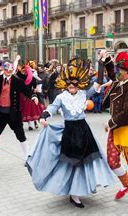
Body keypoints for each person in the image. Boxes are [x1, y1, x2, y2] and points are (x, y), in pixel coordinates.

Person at [26, 57, 115, 209]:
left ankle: (82, 188)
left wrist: (100, 63)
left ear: (78, 84)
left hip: (84, 131)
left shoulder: (83, 94)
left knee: (87, 161)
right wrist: (43, 116)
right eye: (70, 84)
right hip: (70, 132)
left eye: (75, 84)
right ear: (66, 84)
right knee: (73, 163)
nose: (72, 87)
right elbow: (52, 107)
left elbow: (99, 82)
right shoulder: (61, 97)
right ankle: (74, 194)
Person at [100, 51, 128, 213]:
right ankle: (126, 185)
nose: (116, 72)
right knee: (112, 161)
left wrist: (110, 122)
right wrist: (106, 60)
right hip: (115, 130)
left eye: (119, 69)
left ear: (125, 71)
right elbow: (111, 73)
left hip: (126, 130)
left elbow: (126, 113)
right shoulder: (119, 80)